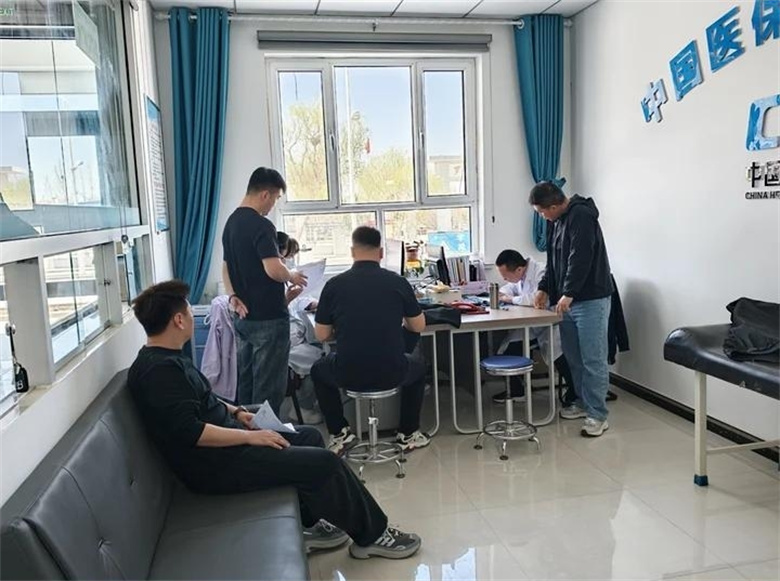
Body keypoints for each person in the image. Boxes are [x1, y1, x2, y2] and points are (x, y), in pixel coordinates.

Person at [127, 280, 422, 560]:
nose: (192, 317)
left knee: (310, 437)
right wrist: (251, 436)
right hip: (215, 465)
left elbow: (203, 399)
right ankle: (374, 536)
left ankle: (309, 523)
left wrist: (238, 413)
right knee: (326, 463)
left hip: (227, 443)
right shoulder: (160, 373)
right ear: (178, 320)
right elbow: (192, 432)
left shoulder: (167, 358)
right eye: (190, 312)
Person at [311, 226, 431, 455]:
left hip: (347, 373)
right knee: (418, 368)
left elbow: (322, 335)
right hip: (392, 372)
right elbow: (418, 326)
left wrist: (345, 330)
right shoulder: (398, 282)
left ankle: (340, 433)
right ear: (381, 253)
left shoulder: (334, 285)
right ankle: (408, 433)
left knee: (318, 370)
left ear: (352, 252)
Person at [529, 181, 614, 437]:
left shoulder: (581, 216)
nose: (542, 217)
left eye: (542, 212)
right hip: (565, 302)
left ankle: (597, 415)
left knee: (593, 359)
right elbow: (553, 261)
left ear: (554, 206)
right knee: (574, 358)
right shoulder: (555, 222)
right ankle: (580, 400)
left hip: (589, 300)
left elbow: (581, 257)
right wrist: (544, 287)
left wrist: (569, 292)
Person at [222, 167, 307, 413]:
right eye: (276, 198)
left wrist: (232, 296)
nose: (273, 205)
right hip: (268, 320)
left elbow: (225, 267)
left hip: (243, 318)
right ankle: (267, 435)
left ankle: (248, 433)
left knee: (247, 387)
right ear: (265, 195)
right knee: (268, 391)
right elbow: (273, 269)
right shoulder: (261, 225)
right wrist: (291, 275)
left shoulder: (231, 223)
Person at [494, 249, 575, 405]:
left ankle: (575, 392)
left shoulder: (541, 272)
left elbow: (538, 299)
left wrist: (510, 299)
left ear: (519, 269)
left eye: (506, 276)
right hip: (533, 324)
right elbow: (510, 288)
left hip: (553, 322)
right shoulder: (521, 275)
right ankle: (518, 391)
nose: (504, 279)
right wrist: (501, 293)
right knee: (510, 347)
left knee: (559, 354)